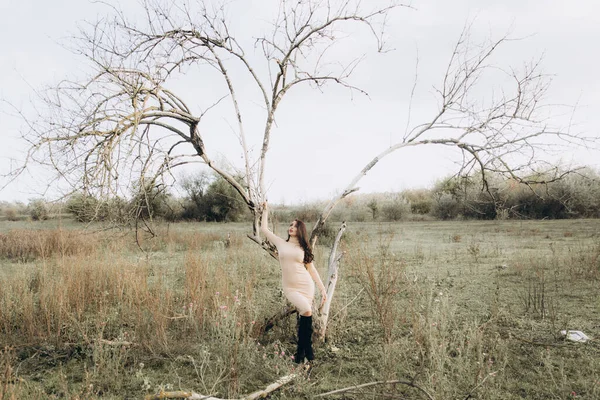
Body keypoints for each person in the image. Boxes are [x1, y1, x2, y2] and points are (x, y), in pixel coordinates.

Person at [260, 201, 327, 364]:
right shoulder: (281, 243)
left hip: (306, 285)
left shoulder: (304, 248)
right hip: (290, 287)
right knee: (306, 311)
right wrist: (265, 211)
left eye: (296, 226)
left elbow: (311, 270)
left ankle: (300, 354)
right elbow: (264, 230)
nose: (292, 227)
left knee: (305, 314)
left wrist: (322, 289)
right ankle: (307, 350)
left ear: (300, 230)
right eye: (290, 225)